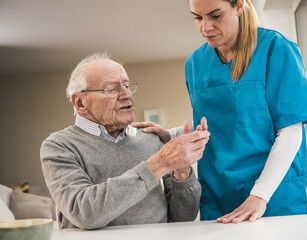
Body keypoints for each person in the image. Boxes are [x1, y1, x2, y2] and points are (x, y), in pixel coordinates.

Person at [133, 0, 307, 223]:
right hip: (219, 196)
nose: (205, 27)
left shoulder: (276, 49)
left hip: (274, 198)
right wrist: (171, 135)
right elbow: (222, 123)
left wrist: (259, 195)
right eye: (198, 17)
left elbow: (290, 132)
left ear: (239, 5)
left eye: (215, 15)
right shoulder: (195, 64)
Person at [40, 53, 210, 229]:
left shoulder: (151, 137)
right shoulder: (59, 146)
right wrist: (160, 163)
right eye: (112, 89)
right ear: (80, 103)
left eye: (127, 86)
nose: (126, 94)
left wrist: (181, 171)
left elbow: (183, 218)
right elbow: (84, 214)